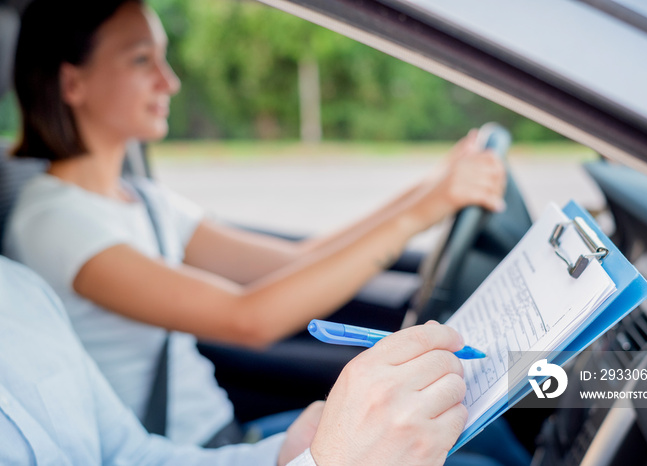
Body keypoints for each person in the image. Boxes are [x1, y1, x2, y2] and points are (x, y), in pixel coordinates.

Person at [4, 0, 506, 448]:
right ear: (72, 83)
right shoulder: (53, 221)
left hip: (228, 436)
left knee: (476, 435)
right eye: (142, 60)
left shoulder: (144, 200)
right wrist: (424, 209)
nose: (169, 81)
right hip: (189, 451)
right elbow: (249, 319)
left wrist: (429, 192)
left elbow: (297, 261)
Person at [0, 255, 470, 465]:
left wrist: (279, 457)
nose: (170, 81)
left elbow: (131, 457)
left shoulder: (17, 288)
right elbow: (248, 318)